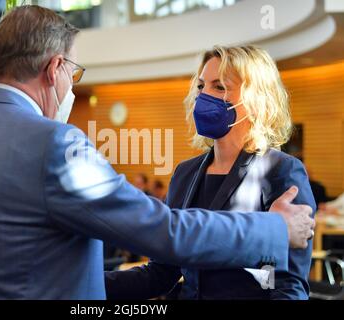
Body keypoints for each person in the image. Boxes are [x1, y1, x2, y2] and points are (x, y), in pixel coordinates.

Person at [0, 7, 314, 300]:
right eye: (72, 73)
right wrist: (275, 230)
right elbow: (164, 232)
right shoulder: (55, 144)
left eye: (219, 86)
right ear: (54, 69)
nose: (71, 86)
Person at [106, 46, 316, 300]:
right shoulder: (185, 173)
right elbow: (161, 273)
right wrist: (86, 285)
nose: (203, 95)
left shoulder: (281, 171)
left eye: (219, 87)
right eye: (201, 86)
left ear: (256, 98)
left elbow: (287, 285)